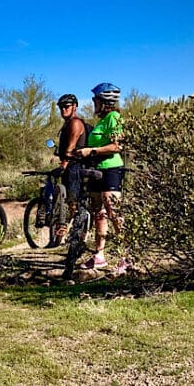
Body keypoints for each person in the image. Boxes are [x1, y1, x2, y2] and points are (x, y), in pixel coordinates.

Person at [72, 82, 126, 271]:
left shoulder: (114, 117)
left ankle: (125, 256)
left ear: (104, 101)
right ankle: (99, 255)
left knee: (113, 212)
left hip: (111, 168)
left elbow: (117, 146)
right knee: (99, 214)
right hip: (97, 169)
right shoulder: (101, 121)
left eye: (96, 99)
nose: (93, 102)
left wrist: (91, 151)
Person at [54, 93, 87, 243]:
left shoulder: (75, 123)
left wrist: (63, 165)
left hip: (75, 166)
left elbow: (71, 146)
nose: (63, 110)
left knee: (73, 200)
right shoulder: (67, 124)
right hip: (69, 165)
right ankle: (72, 233)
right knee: (68, 200)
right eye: (61, 107)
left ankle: (77, 234)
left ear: (74, 107)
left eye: (66, 106)